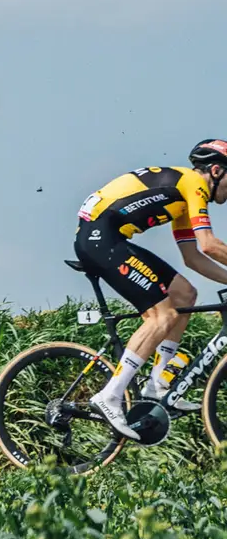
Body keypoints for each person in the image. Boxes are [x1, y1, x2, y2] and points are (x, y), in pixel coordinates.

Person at [75, 140, 227, 438]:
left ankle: (157, 384)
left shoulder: (183, 195)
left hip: (106, 238)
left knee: (184, 295)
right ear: (217, 170)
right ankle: (110, 395)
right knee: (161, 315)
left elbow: (193, 257)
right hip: (100, 239)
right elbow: (209, 244)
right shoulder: (194, 183)